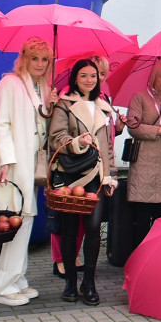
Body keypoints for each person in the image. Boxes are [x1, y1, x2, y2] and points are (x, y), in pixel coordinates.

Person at [0, 37, 58, 307]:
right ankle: (2, 286)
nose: (40, 64)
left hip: (33, 163)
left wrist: (48, 106)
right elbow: (1, 124)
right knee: (14, 221)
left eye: (45, 59)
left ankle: (17, 280)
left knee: (25, 220)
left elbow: (40, 124)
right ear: (24, 59)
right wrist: (6, 160)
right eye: (35, 58)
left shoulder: (42, 86)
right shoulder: (9, 83)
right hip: (15, 164)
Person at [48, 58, 119, 305]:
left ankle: (89, 281)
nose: (90, 80)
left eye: (94, 76)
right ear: (75, 79)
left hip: (97, 178)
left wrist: (111, 176)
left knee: (93, 229)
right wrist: (78, 141)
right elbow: (55, 138)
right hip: (71, 175)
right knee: (69, 230)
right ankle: (69, 282)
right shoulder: (65, 105)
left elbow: (108, 146)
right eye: (83, 76)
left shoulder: (103, 106)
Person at [124, 59, 161, 247]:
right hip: (145, 162)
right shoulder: (139, 97)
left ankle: (160, 257)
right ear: (154, 77)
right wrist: (159, 131)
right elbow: (132, 127)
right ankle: (139, 256)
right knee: (142, 217)